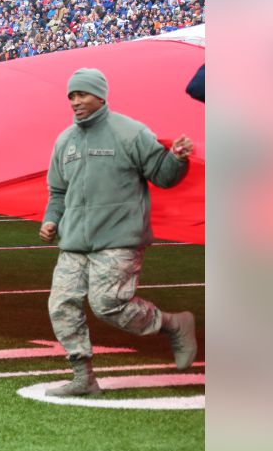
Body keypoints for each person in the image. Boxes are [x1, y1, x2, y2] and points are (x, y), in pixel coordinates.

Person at [40, 67, 198, 396]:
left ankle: (171, 324)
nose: (75, 101)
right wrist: (51, 220)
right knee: (60, 305)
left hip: (119, 238)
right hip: (74, 241)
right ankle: (83, 376)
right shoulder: (64, 141)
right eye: (71, 95)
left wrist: (177, 158)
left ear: (100, 95)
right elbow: (57, 192)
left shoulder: (130, 132)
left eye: (81, 94)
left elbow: (163, 176)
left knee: (108, 304)